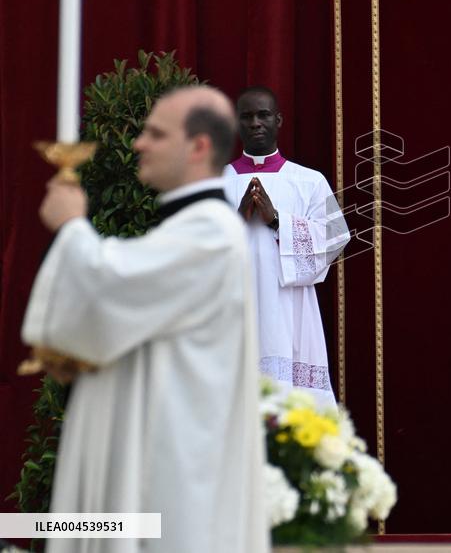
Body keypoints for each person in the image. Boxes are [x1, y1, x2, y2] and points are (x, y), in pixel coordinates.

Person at [21, 87, 267, 552]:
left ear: (198, 147)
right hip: (150, 446)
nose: (138, 144)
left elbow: (109, 284)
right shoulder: (187, 229)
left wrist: (73, 226)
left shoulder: (211, 233)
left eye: (155, 133)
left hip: (170, 468)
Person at [223, 86, 349, 405]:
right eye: (247, 116)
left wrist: (277, 220)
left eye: (263, 115)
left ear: (278, 120)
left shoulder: (309, 181)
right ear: (237, 124)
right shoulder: (216, 182)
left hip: (289, 308)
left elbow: (335, 236)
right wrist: (236, 221)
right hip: (234, 307)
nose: (255, 123)